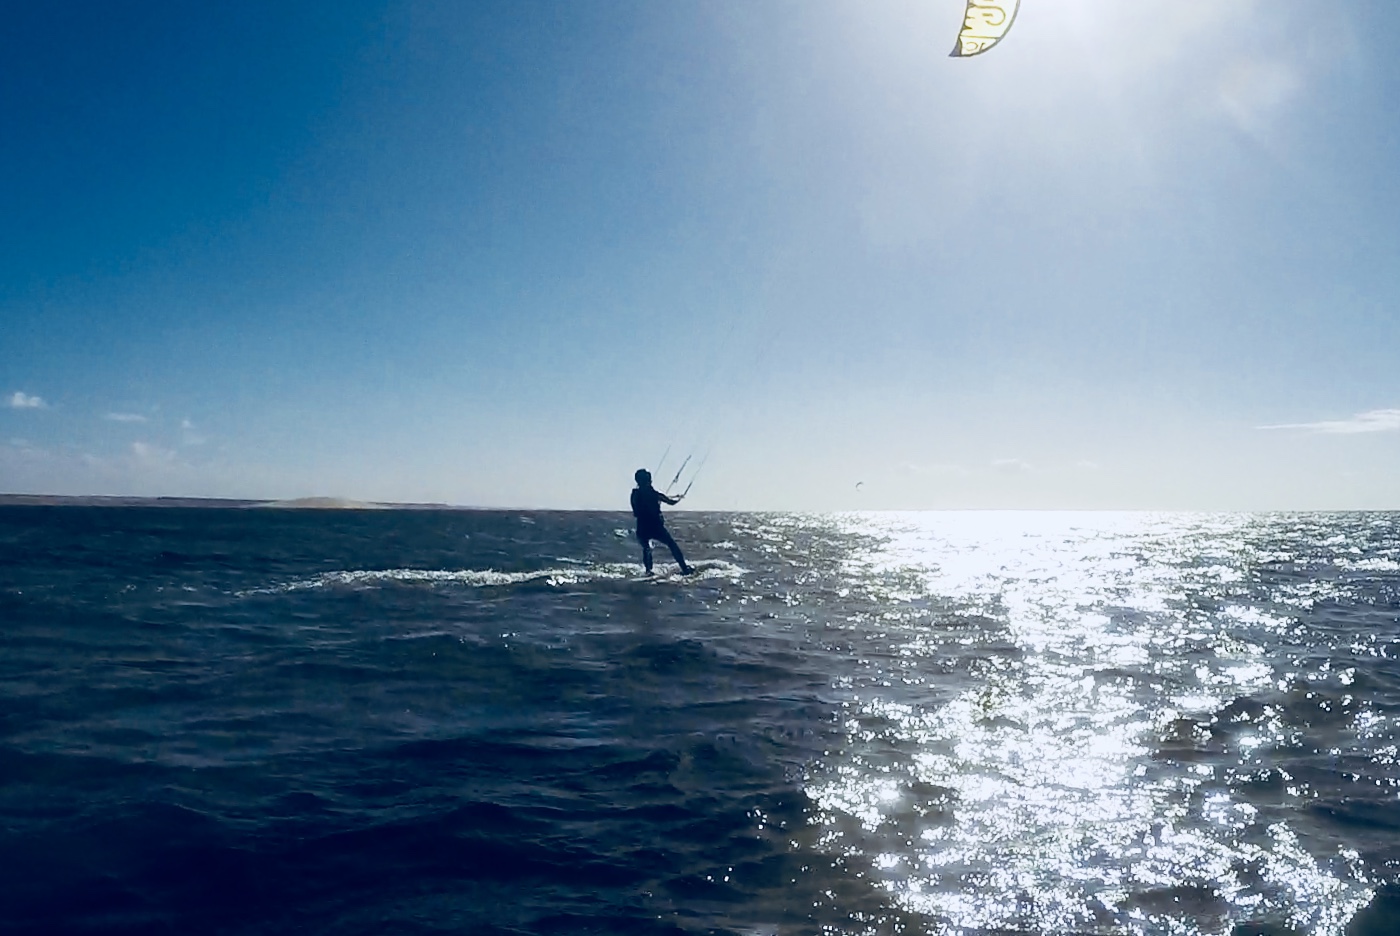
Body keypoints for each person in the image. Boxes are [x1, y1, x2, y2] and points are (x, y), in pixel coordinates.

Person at [630, 468, 693, 575]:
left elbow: (636, 511)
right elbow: (671, 502)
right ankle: (684, 568)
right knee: (672, 545)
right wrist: (678, 499)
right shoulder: (653, 493)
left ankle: (648, 571)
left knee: (646, 548)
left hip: (642, 527)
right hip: (655, 527)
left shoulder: (635, 494)